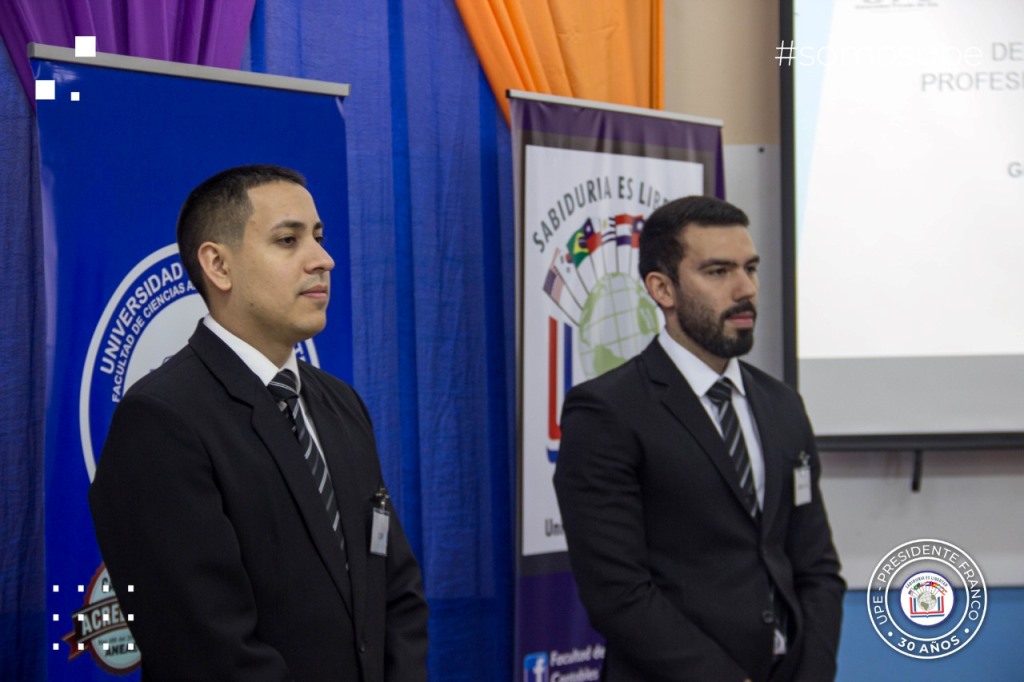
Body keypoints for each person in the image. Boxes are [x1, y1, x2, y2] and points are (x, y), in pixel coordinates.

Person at [90, 164, 428, 681]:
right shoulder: (161, 421)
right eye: (288, 240)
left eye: (318, 237)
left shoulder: (341, 404)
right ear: (219, 266)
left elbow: (396, 592)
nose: (323, 260)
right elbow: (207, 649)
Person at [553, 196, 845, 682]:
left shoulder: (782, 404)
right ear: (662, 289)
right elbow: (617, 592)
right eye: (718, 272)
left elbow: (816, 568)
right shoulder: (607, 410)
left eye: (750, 268)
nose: (745, 289)